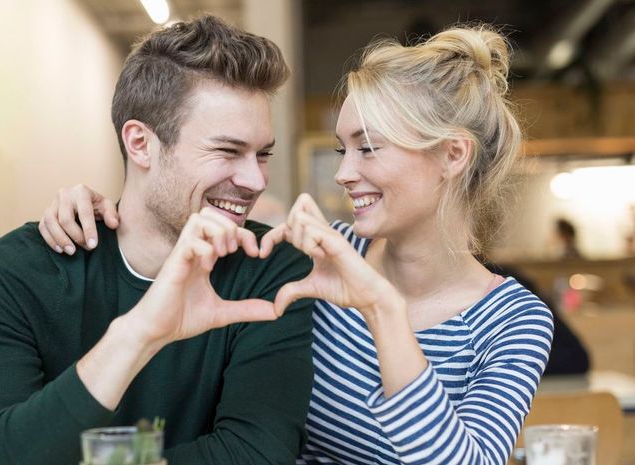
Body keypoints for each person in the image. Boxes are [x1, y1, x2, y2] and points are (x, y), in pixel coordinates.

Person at [41, 24, 555, 465]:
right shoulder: (311, 259)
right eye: (342, 149)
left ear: (452, 155)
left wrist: (381, 309)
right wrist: (99, 214)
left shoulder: (513, 321)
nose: (345, 174)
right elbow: (180, 216)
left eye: (368, 148)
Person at [0, 16, 316, 465]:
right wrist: (138, 334)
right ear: (140, 143)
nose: (255, 179)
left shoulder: (269, 266)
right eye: (227, 151)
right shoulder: (12, 274)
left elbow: (259, 451)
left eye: (263, 154)